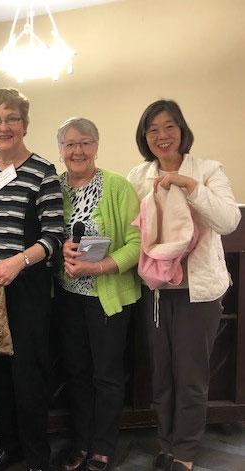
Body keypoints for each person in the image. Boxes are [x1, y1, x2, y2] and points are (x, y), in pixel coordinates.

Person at [127, 100, 241, 471]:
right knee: (161, 375)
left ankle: (186, 453)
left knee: (191, 377)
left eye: (170, 126)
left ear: (182, 129)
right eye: (153, 129)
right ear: (145, 136)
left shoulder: (207, 170)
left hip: (199, 292)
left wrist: (189, 186)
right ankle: (166, 443)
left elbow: (228, 221)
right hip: (157, 290)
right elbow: (129, 228)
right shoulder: (138, 176)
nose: (162, 136)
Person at [0, 89, 64, 471]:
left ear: (24, 124)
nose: (2, 127)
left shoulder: (43, 172)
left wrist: (17, 263)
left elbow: (54, 236)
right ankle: (11, 447)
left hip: (27, 288)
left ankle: (37, 456)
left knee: (28, 376)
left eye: (10, 119)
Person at [52, 118, 141, 471]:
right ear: (61, 150)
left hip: (108, 298)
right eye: (70, 144)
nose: (78, 151)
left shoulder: (118, 186)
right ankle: (81, 441)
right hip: (67, 297)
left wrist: (98, 267)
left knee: (106, 374)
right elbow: (44, 235)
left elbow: (137, 245)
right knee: (75, 371)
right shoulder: (54, 187)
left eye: (85, 143)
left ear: (97, 145)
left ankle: (103, 447)